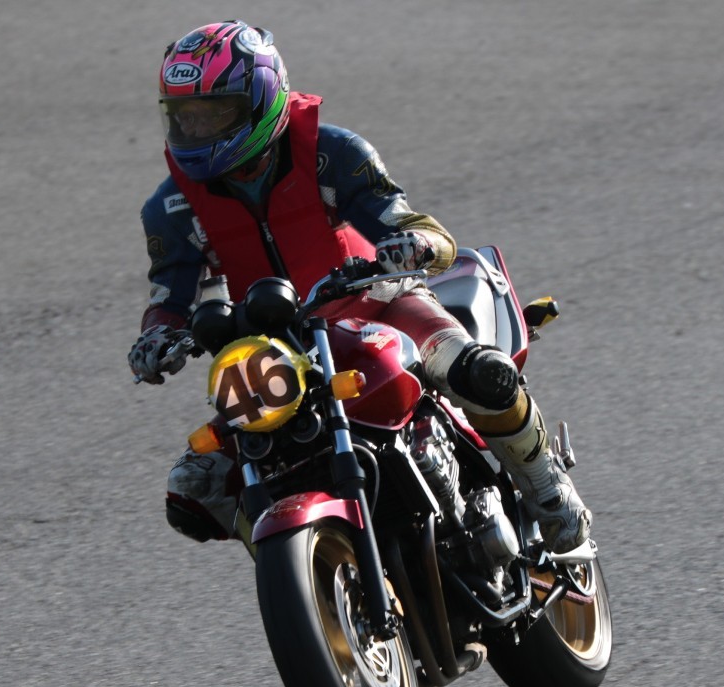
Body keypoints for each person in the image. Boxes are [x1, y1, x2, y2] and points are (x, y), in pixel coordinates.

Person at [128, 20, 590, 553]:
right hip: (272, 348)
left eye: (214, 114)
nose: (196, 129)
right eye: (184, 116)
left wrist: (413, 246)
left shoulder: (332, 152)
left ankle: (548, 489)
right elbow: (169, 297)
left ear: (261, 100)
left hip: (377, 302)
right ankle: (308, 560)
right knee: (194, 486)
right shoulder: (170, 208)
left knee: (479, 371)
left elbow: (416, 226)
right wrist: (156, 337)